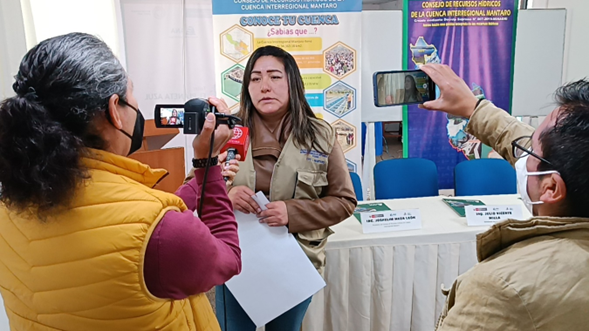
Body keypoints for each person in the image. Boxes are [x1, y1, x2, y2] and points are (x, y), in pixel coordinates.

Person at [0, 32, 242, 331]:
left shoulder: (9, 202)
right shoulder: (162, 231)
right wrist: (207, 165)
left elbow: (128, 220)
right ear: (114, 110)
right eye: (131, 95)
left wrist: (200, 177)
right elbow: (226, 258)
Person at [419, 63, 589, 330]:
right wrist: (474, 109)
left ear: (551, 188)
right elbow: (520, 140)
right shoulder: (572, 165)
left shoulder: (500, 287)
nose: (522, 156)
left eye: (531, 150)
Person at [216, 45, 358, 331]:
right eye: (255, 79)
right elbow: (191, 190)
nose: (264, 87)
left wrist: (292, 213)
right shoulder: (226, 131)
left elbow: (344, 201)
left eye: (274, 77)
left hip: (296, 262)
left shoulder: (321, 136)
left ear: (293, 82)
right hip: (237, 260)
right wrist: (226, 195)